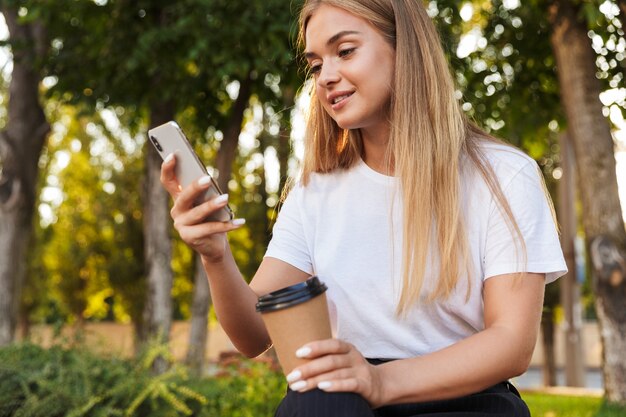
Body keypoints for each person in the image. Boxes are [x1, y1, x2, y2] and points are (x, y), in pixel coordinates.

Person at [160, 0, 567, 415]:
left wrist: (381, 381)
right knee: (315, 402)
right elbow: (253, 335)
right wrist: (215, 255)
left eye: (346, 51)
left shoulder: (503, 175)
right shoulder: (314, 189)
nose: (327, 77)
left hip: (467, 396)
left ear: (405, 49)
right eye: (316, 65)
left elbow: (512, 343)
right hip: (348, 398)